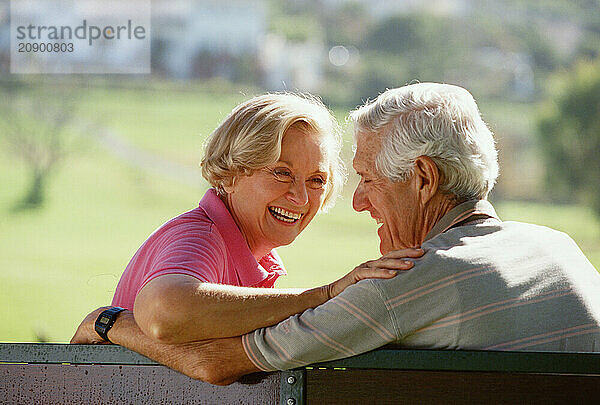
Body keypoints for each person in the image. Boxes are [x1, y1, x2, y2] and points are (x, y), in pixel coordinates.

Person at [72, 83, 600, 386]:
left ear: (422, 178)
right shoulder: (562, 250)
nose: (357, 202)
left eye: (364, 179)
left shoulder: (403, 282)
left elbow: (216, 363)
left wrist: (108, 323)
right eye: (281, 173)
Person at [74, 92, 421, 348]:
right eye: (282, 173)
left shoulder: (258, 258)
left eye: (316, 180)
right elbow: (164, 310)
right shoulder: (201, 236)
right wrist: (323, 295)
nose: (301, 198)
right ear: (231, 173)